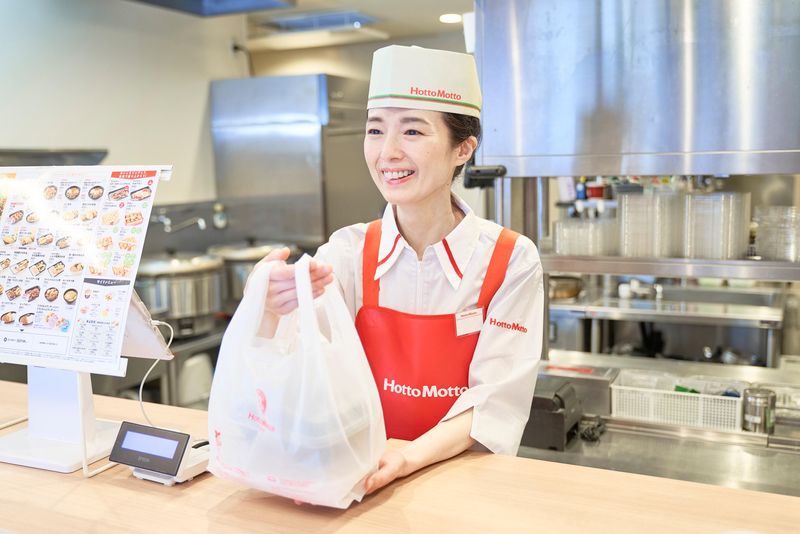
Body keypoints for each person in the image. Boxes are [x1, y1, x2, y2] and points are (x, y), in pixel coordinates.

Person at [256, 45, 543, 496]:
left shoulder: (510, 259)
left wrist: (407, 457)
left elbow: (496, 401)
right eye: (375, 130)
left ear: (463, 148)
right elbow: (303, 376)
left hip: (465, 482)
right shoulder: (346, 253)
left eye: (412, 131)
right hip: (363, 477)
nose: (387, 152)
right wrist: (271, 310)